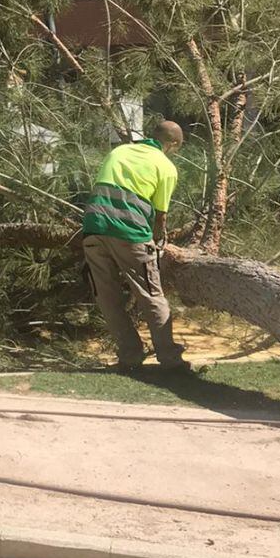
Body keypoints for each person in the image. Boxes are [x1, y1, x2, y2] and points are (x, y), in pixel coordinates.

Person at [82, 121, 189, 371]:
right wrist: (157, 242)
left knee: (107, 297)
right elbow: (160, 216)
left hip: (94, 227)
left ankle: (129, 355)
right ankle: (170, 358)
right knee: (151, 295)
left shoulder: (118, 152)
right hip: (129, 232)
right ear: (173, 144)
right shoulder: (165, 166)